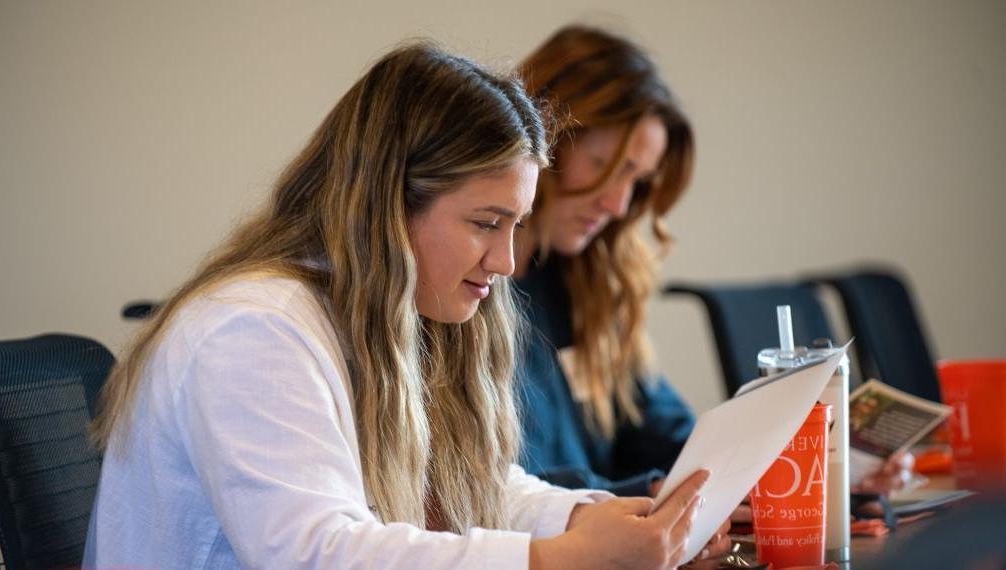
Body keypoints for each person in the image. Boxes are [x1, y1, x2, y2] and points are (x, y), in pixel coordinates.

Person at [85, 42, 712, 569]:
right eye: (487, 222)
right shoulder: (253, 329)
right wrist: (556, 558)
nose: (507, 262)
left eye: (515, 225)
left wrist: (592, 519)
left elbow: (470, 485)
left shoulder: (400, 308)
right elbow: (315, 553)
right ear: (387, 206)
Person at [512, 24, 911, 526]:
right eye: (604, 164)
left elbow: (660, 430)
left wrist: (792, 473)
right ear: (543, 138)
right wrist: (658, 493)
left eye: (637, 182)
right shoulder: (467, 290)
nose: (618, 205)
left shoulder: (588, 282)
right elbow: (505, 485)